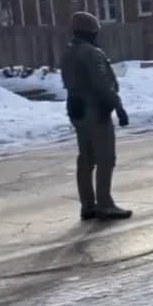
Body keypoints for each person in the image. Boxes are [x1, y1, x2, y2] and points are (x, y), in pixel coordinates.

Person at [60, 12, 132, 221]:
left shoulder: (68, 52)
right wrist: (117, 106)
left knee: (85, 158)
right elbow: (101, 84)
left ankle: (88, 205)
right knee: (105, 157)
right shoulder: (92, 53)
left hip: (76, 107)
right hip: (95, 108)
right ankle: (105, 204)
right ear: (92, 32)